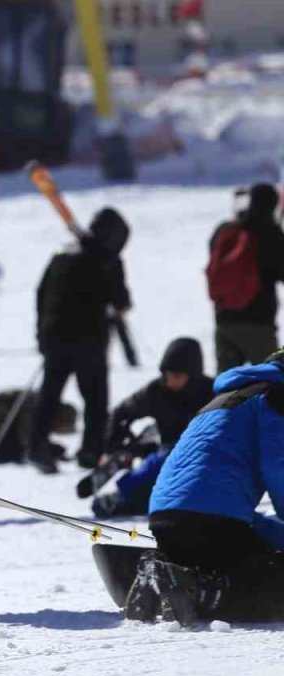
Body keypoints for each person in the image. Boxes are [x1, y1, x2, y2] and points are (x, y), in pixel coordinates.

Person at [125, 352, 284, 627]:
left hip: (165, 515)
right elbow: (278, 466)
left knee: (235, 546)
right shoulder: (276, 396)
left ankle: (165, 570)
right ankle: (199, 589)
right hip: (210, 519)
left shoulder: (230, 396)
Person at [29, 207, 133, 474]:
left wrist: (42, 331)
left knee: (50, 394)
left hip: (55, 336)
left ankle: (36, 446)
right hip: (90, 340)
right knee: (95, 399)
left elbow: (41, 293)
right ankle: (91, 451)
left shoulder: (63, 253)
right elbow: (121, 302)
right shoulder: (108, 261)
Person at [87, 337, 215, 519]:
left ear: (193, 374)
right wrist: (113, 446)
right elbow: (121, 412)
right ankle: (121, 498)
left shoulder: (211, 391)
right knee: (152, 476)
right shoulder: (155, 391)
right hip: (167, 452)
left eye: (177, 376)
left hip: (203, 456)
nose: (171, 381)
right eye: (168, 375)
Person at [207, 184, 284, 372]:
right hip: (259, 323)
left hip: (224, 320)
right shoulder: (270, 234)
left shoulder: (225, 230)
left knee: (226, 387)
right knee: (270, 384)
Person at [0, 389, 77, 468]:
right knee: (8, 454)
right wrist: (42, 451)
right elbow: (26, 434)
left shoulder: (44, 405)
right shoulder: (38, 407)